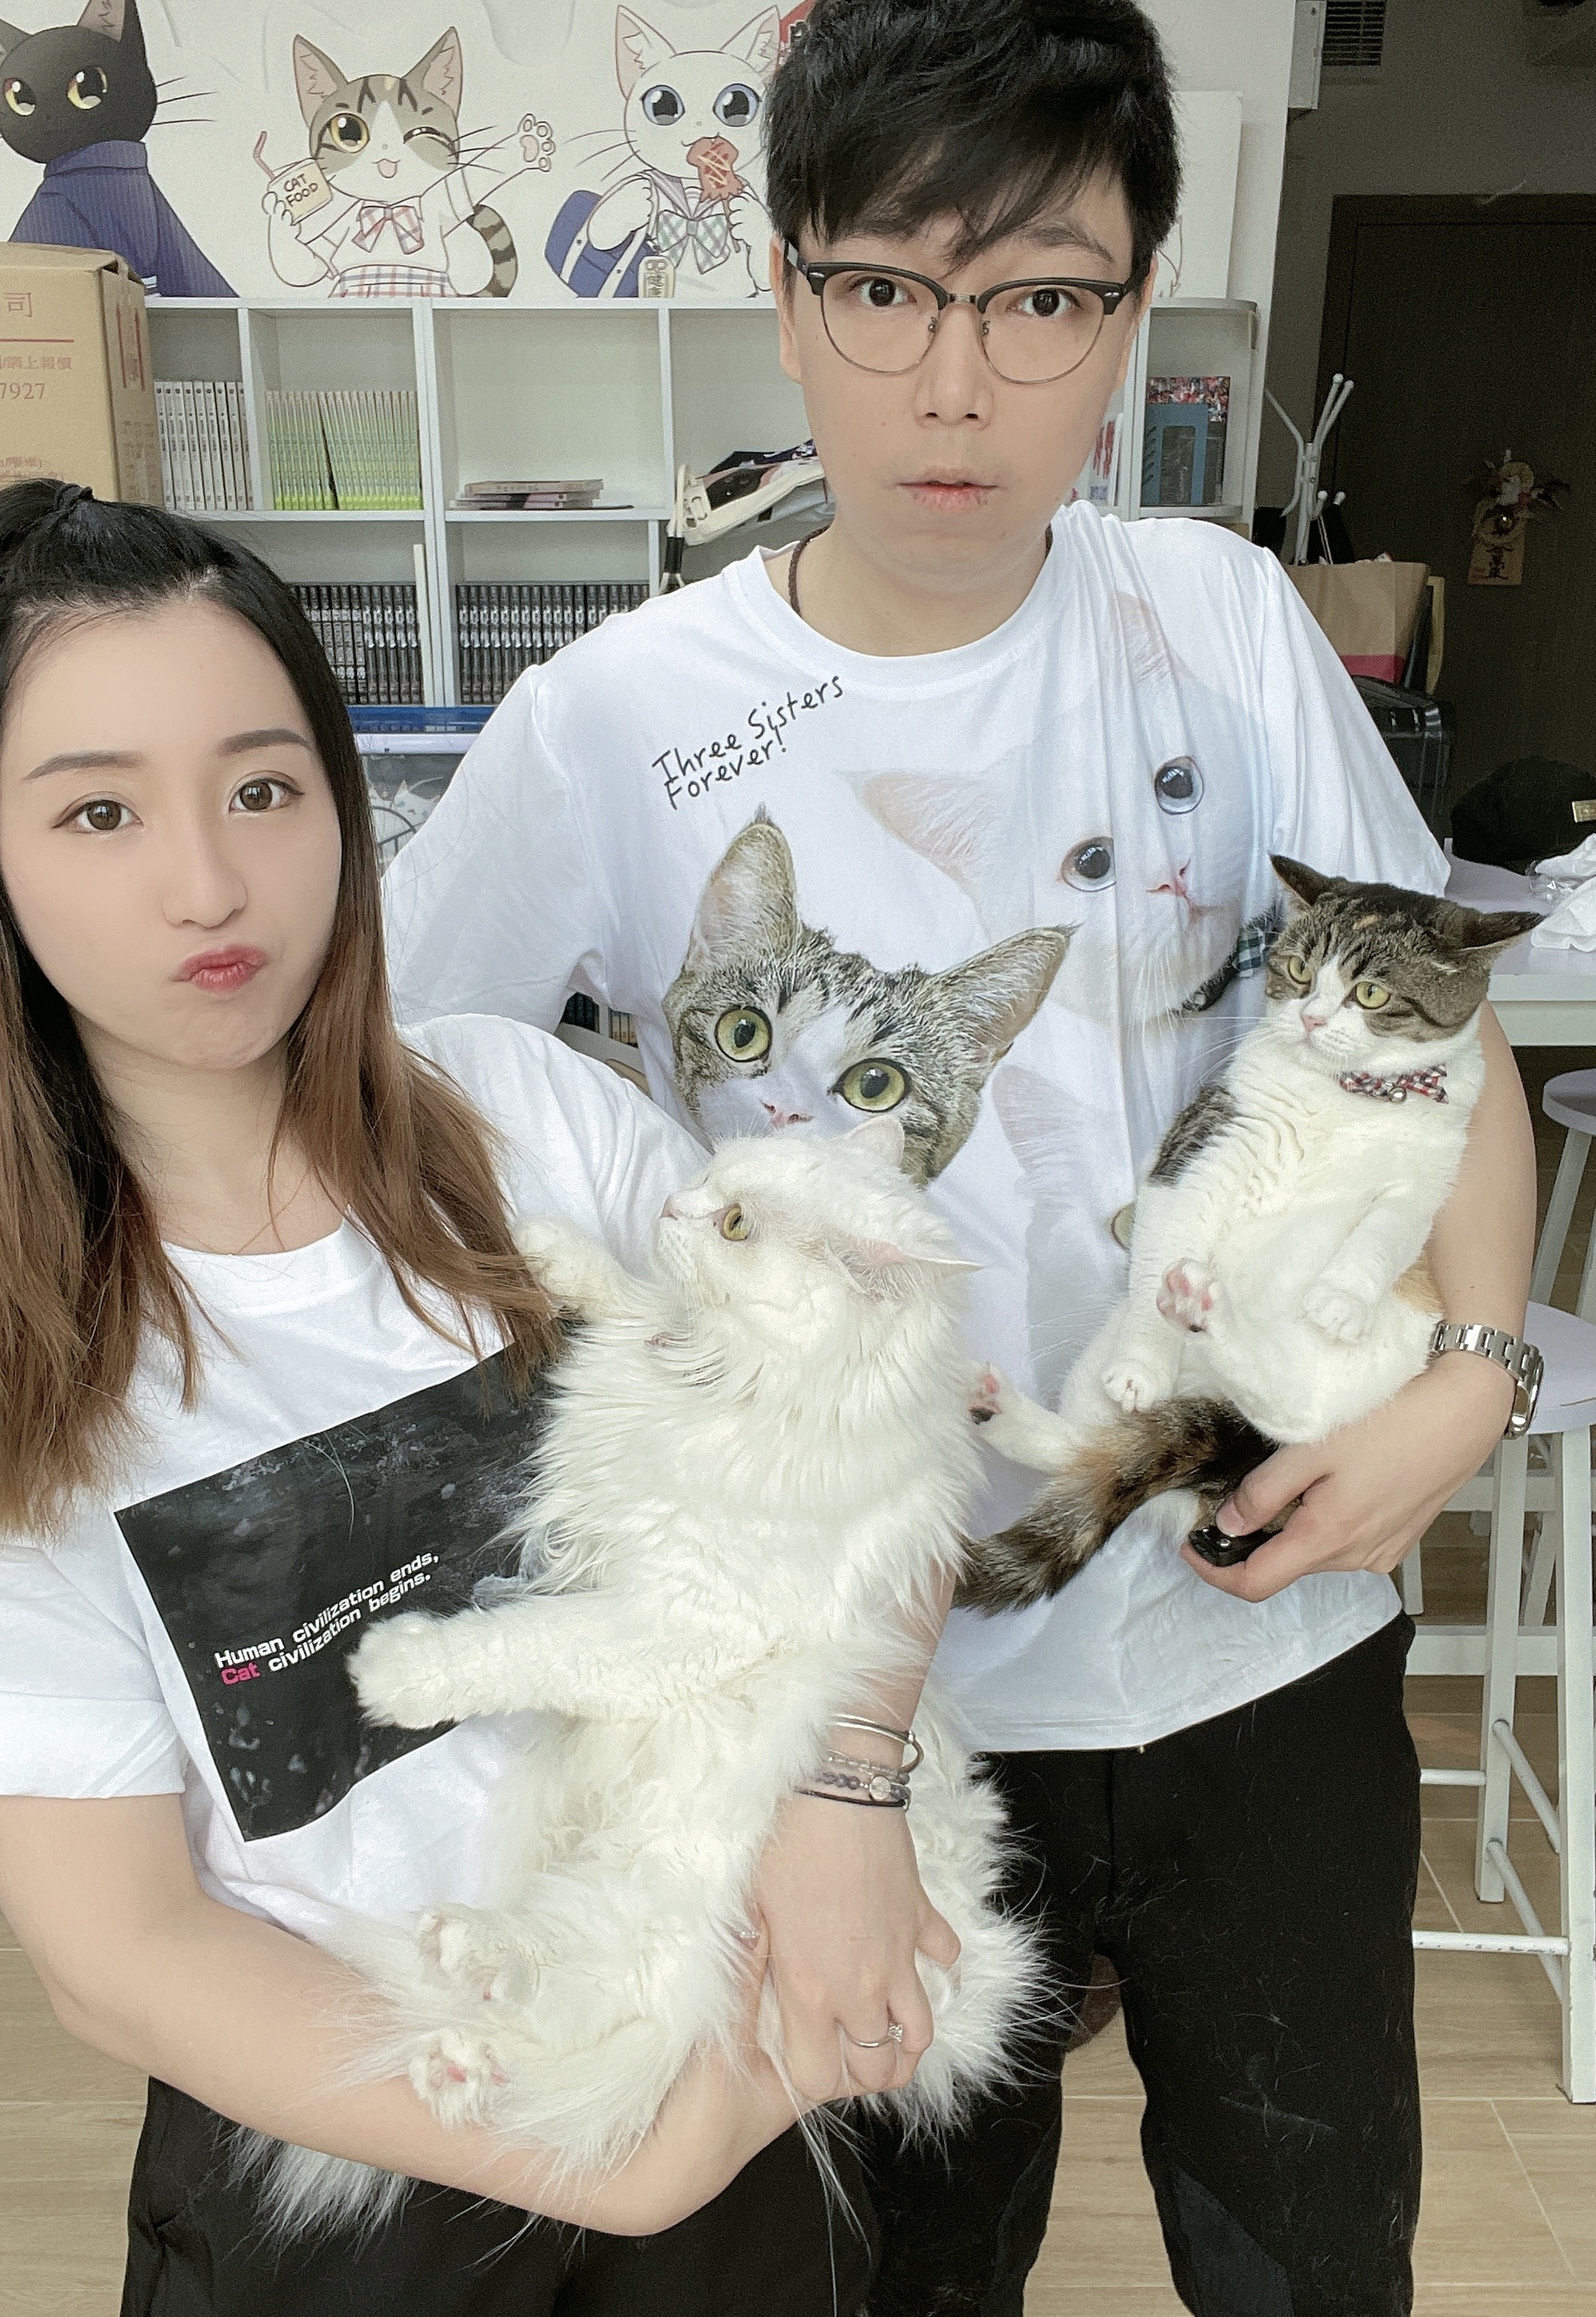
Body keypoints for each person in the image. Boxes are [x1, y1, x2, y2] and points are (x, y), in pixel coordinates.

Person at [378, 2, 1538, 2309]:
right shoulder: (613, 723)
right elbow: (392, 1127)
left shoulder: (1215, 619)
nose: (952, 385)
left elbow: (1450, 1038)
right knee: (895, 2271)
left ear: (1130, 311)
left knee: (1315, 2251)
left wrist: (1471, 1380)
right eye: (884, 290)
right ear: (784, 292)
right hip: (859, 1709)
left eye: (1038, 301)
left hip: (1263, 1624)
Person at [0, 478, 897, 2316]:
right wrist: (605, 2154)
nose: (208, 882)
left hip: (716, 2034)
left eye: (264, 788)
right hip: (350, 2145)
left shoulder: (529, 1116)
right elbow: (124, 1949)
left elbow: (861, 1455)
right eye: (99, 809)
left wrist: (848, 1790)